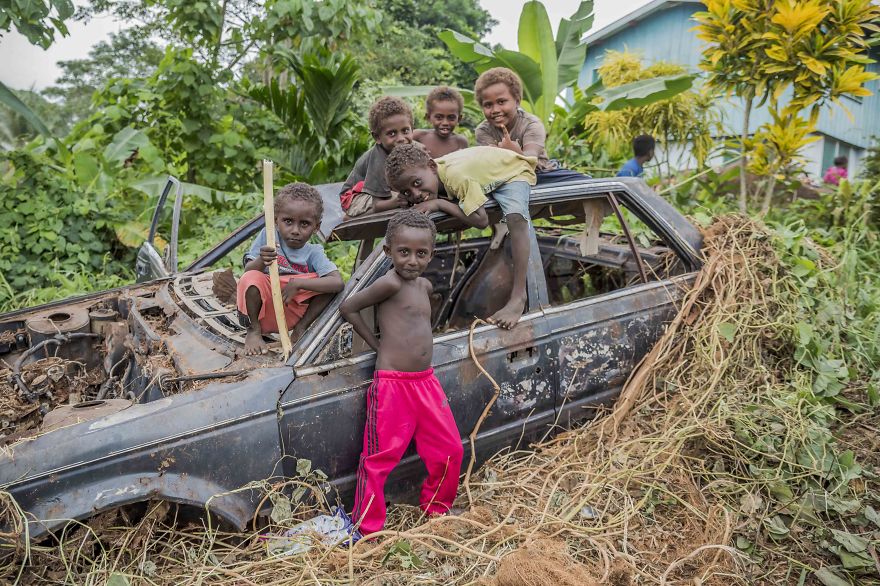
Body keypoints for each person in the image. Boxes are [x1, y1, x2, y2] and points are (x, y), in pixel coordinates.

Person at [340, 209, 464, 536]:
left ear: (431, 254)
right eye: (404, 252)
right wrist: (376, 345)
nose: (412, 260)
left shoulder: (424, 285)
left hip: (426, 381)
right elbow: (349, 307)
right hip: (393, 385)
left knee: (450, 449)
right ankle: (368, 528)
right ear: (388, 251)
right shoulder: (389, 283)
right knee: (379, 459)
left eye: (421, 253)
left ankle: (437, 508)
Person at [385, 143, 537, 329]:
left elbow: (481, 220)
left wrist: (439, 204)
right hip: (487, 168)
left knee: (516, 218)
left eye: (417, 183)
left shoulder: (456, 177)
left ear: (432, 166)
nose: (415, 194)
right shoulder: (427, 172)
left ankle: (518, 297)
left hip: (513, 171)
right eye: (407, 192)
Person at [237, 183, 344, 356]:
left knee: (326, 284)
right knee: (251, 277)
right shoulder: (268, 236)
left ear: (316, 227)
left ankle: (301, 329)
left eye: (304, 224)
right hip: (264, 310)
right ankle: (253, 330)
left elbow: (337, 282)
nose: (295, 230)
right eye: (288, 221)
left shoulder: (313, 252)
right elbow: (248, 271)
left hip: (292, 313)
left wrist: (298, 283)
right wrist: (261, 261)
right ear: (275, 221)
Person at [474, 67, 587, 184]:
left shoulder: (532, 124)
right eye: (488, 105)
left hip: (540, 173)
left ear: (517, 101)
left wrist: (512, 152)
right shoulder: (483, 131)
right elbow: (492, 164)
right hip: (503, 177)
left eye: (501, 102)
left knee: (585, 182)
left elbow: (530, 159)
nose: (495, 110)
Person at [339, 96, 414, 218]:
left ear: (412, 129)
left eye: (405, 131)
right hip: (354, 197)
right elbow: (378, 205)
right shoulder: (378, 161)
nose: (401, 139)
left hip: (381, 190)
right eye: (392, 133)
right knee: (404, 199)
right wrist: (397, 201)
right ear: (377, 137)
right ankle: (351, 218)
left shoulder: (410, 147)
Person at [413, 86, 469, 158]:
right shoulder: (418, 136)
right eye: (439, 117)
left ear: (459, 119)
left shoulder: (460, 142)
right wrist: (415, 144)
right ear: (428, 117)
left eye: (451, 118)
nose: (445, 123)